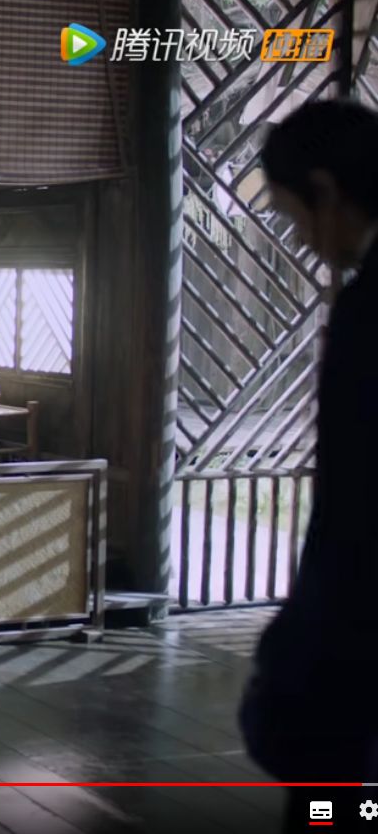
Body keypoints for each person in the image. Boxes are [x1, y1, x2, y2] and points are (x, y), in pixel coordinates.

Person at [240, 99, 378, 825]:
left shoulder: (368, 311)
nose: (305, 240)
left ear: (325, 190)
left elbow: (352, 510)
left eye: (296, 218)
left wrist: (299, 642)